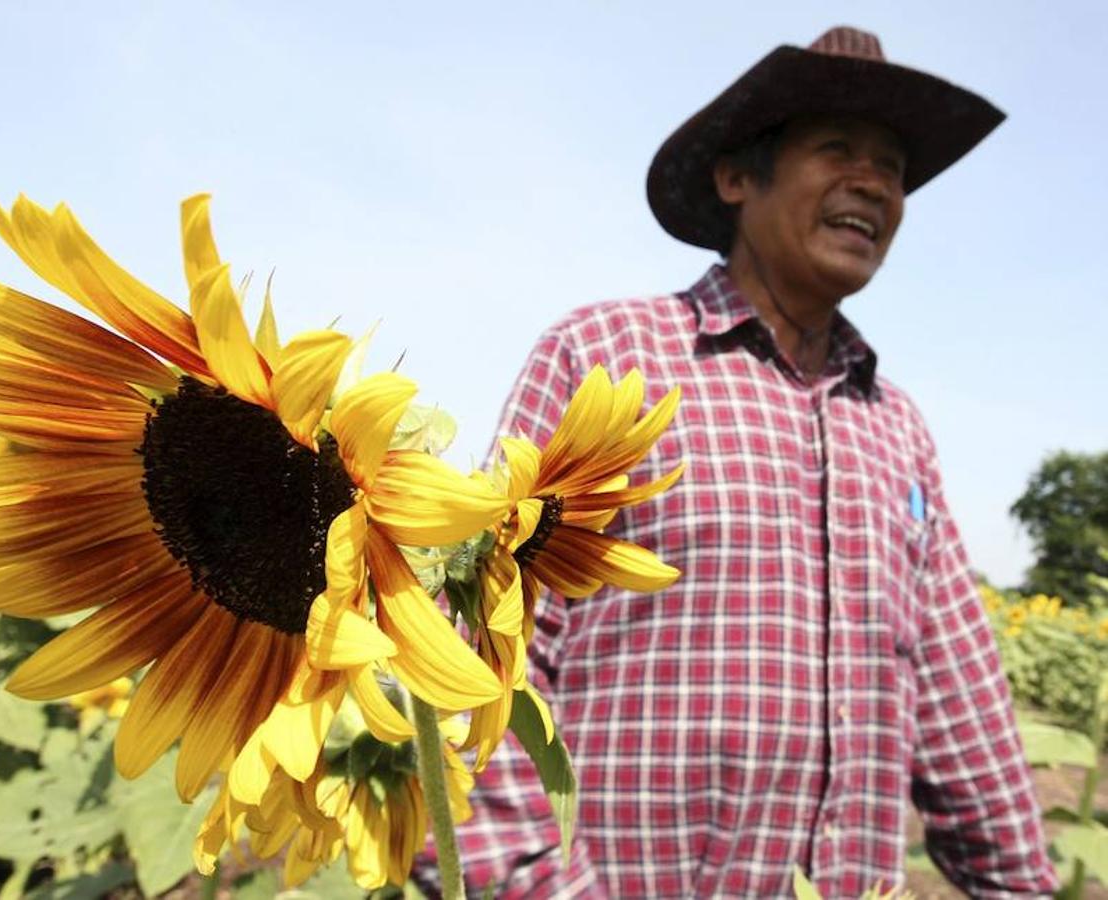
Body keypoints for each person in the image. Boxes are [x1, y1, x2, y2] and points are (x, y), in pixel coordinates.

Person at [415, 25, 1061, 899]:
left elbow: (960, 697)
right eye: (838, 149)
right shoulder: (611, 360)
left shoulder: (896, 424)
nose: (874, 184)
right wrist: (538, 886)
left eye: (894, 168)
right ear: (736, 179)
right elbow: (482, 650)